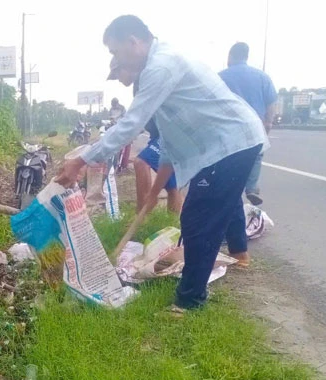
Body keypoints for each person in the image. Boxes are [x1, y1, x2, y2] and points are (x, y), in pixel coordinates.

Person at [56, 15, 267, 314]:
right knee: (200, 217)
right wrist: (156, 191)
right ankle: (195, 289)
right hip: (224, 146)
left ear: (133, 42)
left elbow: (130, 125)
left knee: (200, 220)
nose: (116, 60)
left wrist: (81, 159)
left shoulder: (161, 66)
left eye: (115, 52)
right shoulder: (159, 68)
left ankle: (189, 301)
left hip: (231, 143)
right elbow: (169, 140)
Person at [107, 56, 182, 214]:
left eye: (117, 74)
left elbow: (137, 115)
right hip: (160, 134)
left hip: (171, 134)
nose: (118, 80)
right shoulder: (140, 83)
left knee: (141, 162)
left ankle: (141, 218)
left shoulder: (146, 78)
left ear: (127, 65)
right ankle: (173, 227)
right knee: (172, 186)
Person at [219, 42, 278, 206]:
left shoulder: (221, 76)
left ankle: (231, 189)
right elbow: (271, 103)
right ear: (246, 56)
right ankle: (251, 188)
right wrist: (268, 122)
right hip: (255, 125)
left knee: (230, 160)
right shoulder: (262, 77)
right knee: (256, 155)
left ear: (230, 56)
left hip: (230, 128)